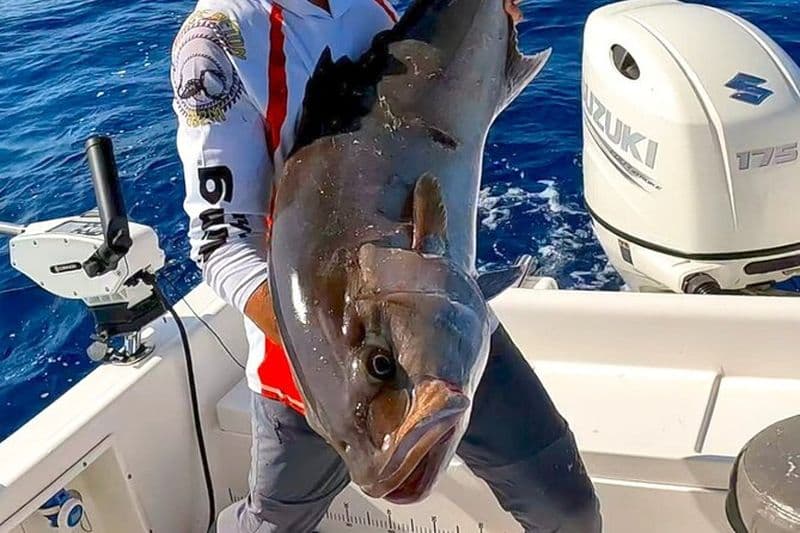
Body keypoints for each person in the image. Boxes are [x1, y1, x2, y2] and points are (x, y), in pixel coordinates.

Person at [171, 0, 602, 531]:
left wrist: (488, 38)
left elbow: (428, 122)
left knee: (567, 509)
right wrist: (341, 358)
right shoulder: (217, 41)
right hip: (322, 373)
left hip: (439, 318)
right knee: (274, 524)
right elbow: (221, 244)